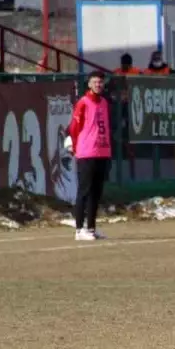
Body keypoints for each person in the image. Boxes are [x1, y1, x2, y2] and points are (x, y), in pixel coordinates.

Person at [67, 71, 113, 241]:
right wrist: (75, 144)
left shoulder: (104, 103)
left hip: (103, 152)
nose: (98, 85)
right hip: (87, 153)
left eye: (100, 82)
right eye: (95, 82)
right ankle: (79, 230)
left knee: (96, 192)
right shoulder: (83, 103)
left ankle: (91, 228)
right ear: (89, 84)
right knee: (84, 191)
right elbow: (74, 127)